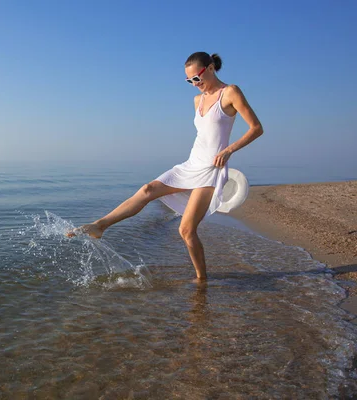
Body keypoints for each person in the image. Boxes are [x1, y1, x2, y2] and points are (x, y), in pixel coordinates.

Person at [67, 52, 264, 281]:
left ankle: (202, 280)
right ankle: (99, 225)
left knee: (186, 230)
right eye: (189, 81)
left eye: (196, 78)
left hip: (211, 170)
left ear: (210, 68)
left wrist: (229, 150)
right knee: (147, 190)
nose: (194, 85)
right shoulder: (197, 101)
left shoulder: (230, 92)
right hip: (191, 164)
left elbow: (256, 128)